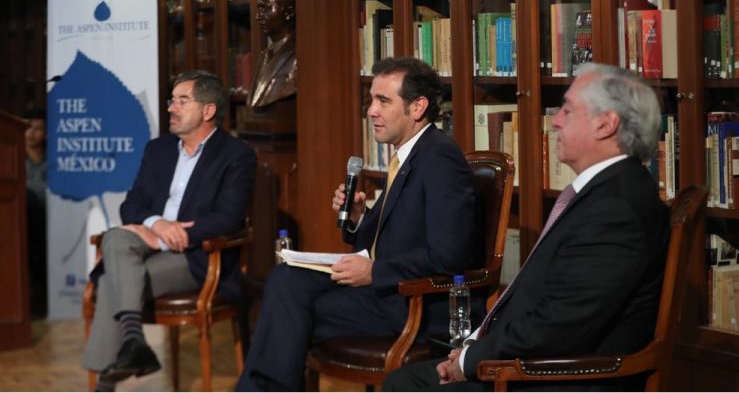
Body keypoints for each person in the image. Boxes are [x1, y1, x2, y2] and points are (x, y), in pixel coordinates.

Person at [384, 63, 671, 391]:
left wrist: (471, 360)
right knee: (404, 380)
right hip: (526, 362)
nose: (556, 121)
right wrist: (471, 349)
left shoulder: (617, 210)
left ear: (606, 124)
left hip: (556, 378)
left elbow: (560, 325)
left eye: (567, 110)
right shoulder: (605, 192)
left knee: (406, 385)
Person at [235, 57, 480, 391]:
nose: (371, 111)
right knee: (286, 278)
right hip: (383, 291)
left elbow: (449, 255)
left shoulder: (440, 159)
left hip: (411, 304)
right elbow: (386, 238)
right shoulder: (408, 157)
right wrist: (358, 218)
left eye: (383, 101)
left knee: (286, 314)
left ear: (418, 107)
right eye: (371, 100)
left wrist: (374, 272)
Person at [81, 70, 256, 392]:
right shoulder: (158, 149)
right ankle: (134, 340)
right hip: (145, 245)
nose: (171, 108)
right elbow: (131, 206)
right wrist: (156, 224)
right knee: (117, 235)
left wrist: (178, 234)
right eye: (171, 101)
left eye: (182, 101)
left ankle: (107, 382)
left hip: (194, 256)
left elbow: (228, 218)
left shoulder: (235, 155)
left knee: (110, 281)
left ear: (208, 110)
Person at [247, 0, 297, 109]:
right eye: (259, 9)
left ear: (289, 13)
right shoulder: (264, 55)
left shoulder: (298, 54)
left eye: (266, 8)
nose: (258, 16)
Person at [24, 109, 47, 318]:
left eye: (38, 128)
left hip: (49, 224)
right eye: (28, 126)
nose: (31, 132)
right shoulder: (11, 157)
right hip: (22, 225)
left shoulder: (55, 162)